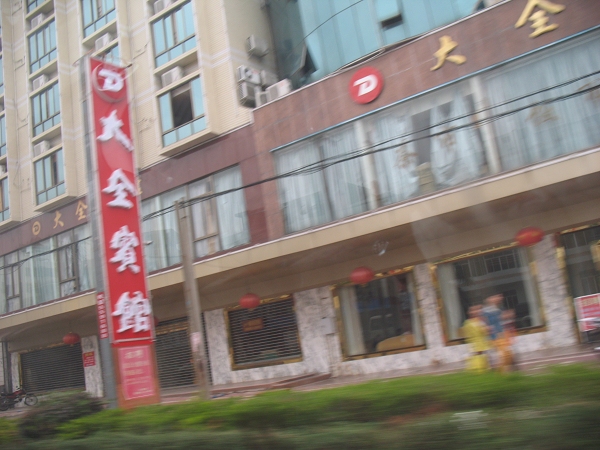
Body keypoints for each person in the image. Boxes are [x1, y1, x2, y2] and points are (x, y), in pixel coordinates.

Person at [462, 304, 491, 373]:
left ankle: (483, 368)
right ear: (469, 312)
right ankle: (478, 369)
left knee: (483, 354)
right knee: (477, 355)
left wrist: (486, 329)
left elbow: (485, 331)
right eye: (473, 310)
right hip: (475, 342)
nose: (475, 312)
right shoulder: (468, 322)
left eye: (477, 310)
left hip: (482, 341)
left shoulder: (481, 321)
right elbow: (467, 334)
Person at [483, 294, 504, 369]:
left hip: (498, 333)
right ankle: (495, 367)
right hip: (492, 334)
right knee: (494, 352)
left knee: (499, 351)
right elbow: (485, 322)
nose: (498, 299)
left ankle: (500, 366)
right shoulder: (487, 311)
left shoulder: (497, 309)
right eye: (494, 298)